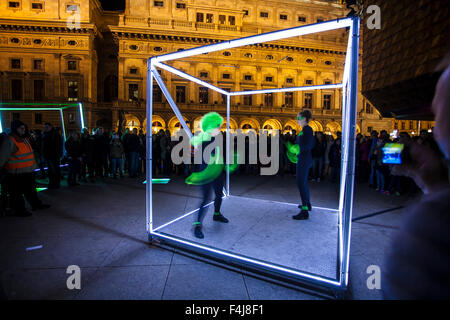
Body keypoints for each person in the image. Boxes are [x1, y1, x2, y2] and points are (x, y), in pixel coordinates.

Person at [382, 54, 450, 299]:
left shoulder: (433, 221)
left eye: (440, 103)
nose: (431, 109)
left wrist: (435, 198)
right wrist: (434, 184)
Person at [188, 112, 229, 239]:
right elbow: (194, 144)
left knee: (219, 194)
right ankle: (197, 225)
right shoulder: (204, 136)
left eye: (219, 125)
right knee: (206, 198)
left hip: (217, 170)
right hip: (205, 170)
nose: (219, 127)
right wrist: (193, 148)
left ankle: (216, 214)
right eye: (217, 125)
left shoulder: (219, 136)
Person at [0, 120, 50, 217]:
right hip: (16, 173)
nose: (23, 130)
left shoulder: (24, 139)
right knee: (17, 194)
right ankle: (20, 210)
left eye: (24, 128)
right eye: (21, 128)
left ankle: (36, 204)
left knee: (31, 191)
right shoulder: (10, 140)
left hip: (27, 172)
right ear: (15, 129)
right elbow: (2, 157)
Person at [290, 110, 315, 220]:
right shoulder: (304, 130)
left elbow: (309, 145)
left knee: (301, 183)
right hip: (303, 159)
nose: (297, 120)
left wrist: (297, 149)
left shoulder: (308, 130)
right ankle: (307, 204)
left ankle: (304, 210)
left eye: (299, 118)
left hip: (304, 160)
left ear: (304, 119)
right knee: (303, 183)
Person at [42, 122, 63, 189]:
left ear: (51, 127)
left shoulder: (55, 134)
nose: (45, 128)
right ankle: (53, 183)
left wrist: (58, 154)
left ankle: (55, 183)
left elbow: (58, 145)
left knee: (54, 170)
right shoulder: (45, 134)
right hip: (48, 155)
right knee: (51, 170)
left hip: (53, 155)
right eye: (44, 127)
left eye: (47, 127)